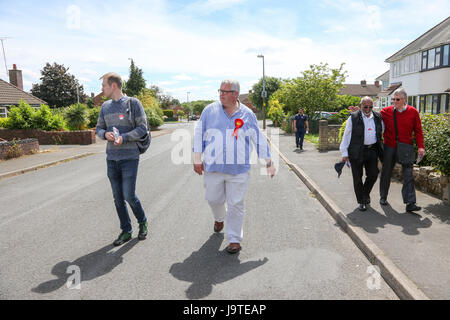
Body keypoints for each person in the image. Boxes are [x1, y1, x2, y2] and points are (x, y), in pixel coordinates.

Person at [193, 80, 276, 254]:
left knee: (236, 203)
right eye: (220, 90)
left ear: (236, 94)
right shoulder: (209, 111)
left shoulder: (248, 114)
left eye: (225, 91)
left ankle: (234, 239)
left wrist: (268, 161)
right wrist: (197, 158)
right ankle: (219, 218)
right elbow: (199, 134)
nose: (221, 94)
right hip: (213, 167)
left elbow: (258, 139)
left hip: (238, 169)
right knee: (213, 199)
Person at [96, 72, 149, 246]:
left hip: (129, 158)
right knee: (117, 198)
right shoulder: (105, 107)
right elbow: (98, 129)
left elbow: (142, 128)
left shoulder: (133, 103)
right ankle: (126, 230)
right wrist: (106, 134)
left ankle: (142, 222)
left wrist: (123, 138)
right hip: (111, 158)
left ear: (114, 86)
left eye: (104, 85)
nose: (102, 89)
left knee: (129, 195)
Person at [379, 88, 425, 212]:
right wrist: (358, 112)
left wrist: (421, 146)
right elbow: (372, 118)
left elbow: (418, 130)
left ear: (405, 99)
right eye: (393, 99)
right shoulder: (385, 111)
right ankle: (383, 197)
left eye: (397, 99)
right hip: (389, 146)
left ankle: (410, 203)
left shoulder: (413, 112)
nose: (394, 101)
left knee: (408, 175)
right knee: (386, 172)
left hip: (406, 147)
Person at [339, 97, 384, 211]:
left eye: (370, 107)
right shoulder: (353, 118)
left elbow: (381, 131)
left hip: (372, 150)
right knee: (357, 178)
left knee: (374, 174)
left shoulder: (378, 117)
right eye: (365, 107)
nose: (368, 109)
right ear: (360, 106)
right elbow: (347, 135)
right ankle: (362, 201)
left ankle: (364, 193)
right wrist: (344, 152)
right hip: (357, 151)